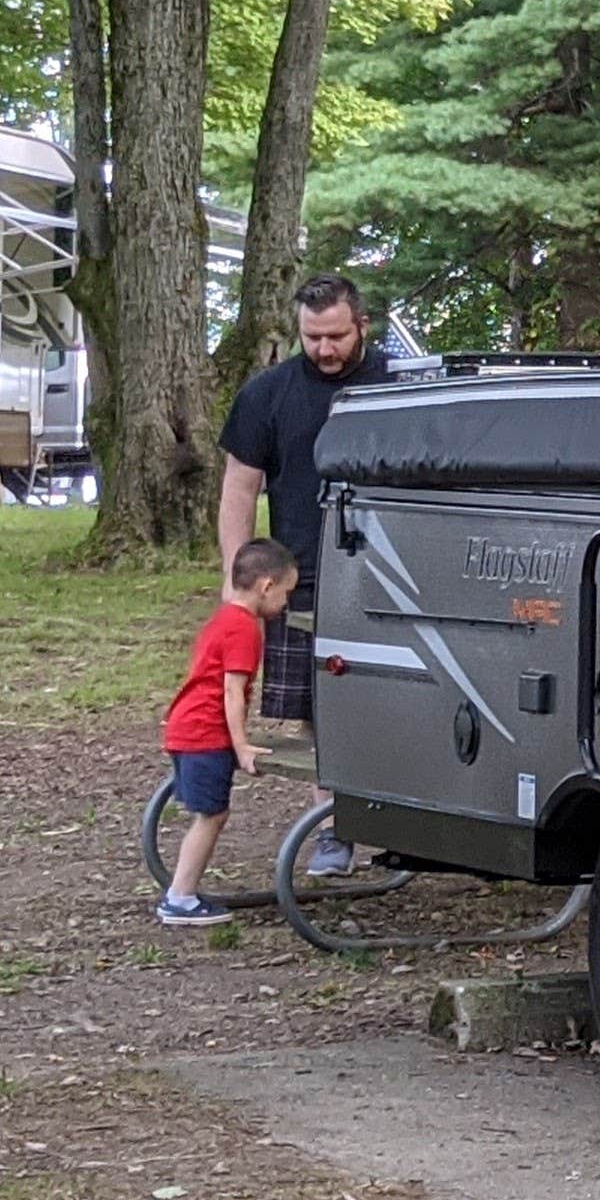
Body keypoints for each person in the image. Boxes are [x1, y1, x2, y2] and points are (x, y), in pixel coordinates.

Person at [219, 273, 385, 876]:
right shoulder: (268, 395)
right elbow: (238, 490)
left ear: (361, 324)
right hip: (302, 576)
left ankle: (402, 823)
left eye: (336, 335)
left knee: (391, 697)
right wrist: (236, 582)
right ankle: (332, 830)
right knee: (317, 707)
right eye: (312, 337)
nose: (324, 349)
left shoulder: (396, 386)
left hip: (390, 575)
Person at [159, 539, 296, 924]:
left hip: (186, 727)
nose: (286, 604)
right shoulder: (244, 629)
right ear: (266, 586)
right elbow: (232, 690)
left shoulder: (222, 618)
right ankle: (180, 898)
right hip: (204, 732)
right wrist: (242, 746)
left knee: (208, 813)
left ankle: (180, 893)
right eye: (286, 593)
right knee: (212, 815)